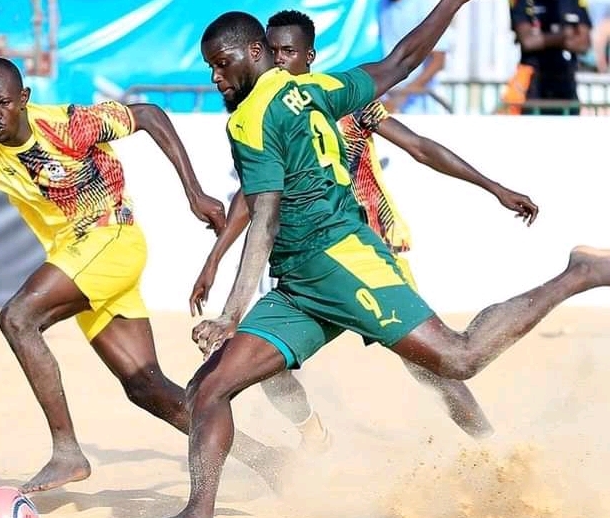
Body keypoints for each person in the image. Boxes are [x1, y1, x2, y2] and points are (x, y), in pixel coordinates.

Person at [175, 6, 610, 518]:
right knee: (206, 390)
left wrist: (230, 313)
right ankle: (200, 509)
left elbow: (264, 216)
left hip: (342, 260)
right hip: (299, 283)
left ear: (257, 53)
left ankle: (579, 273)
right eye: (210, 67)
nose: (215, 77)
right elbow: (400, 61)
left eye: (222, 64)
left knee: (453, 360)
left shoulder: (250, 119)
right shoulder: (318, 88)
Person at [0, 57, 285, 494]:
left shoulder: (67, 124)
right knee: (145, 386)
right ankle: (267, 458)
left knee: (18, 319)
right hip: (77, 256)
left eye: (2, 103)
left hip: (110, 238)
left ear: (23, 100)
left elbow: (150, 115)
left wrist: (194, 193)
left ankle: (67, 453)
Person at [190, 8, 543, 444]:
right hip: (307, 257)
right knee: (265, 364)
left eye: (288, 51)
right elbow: (253, 200)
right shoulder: (270, 113)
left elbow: (420, 146)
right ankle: (311, 431)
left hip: (366, 244)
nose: (280, 60)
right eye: (275, 51)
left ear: (309, 55)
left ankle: (489, 443)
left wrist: (493, 186)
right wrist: (215, 258)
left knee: (431, 365)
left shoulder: (344, 99)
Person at [508, 0, 591, 115]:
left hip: (566, 87)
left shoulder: (575, 2)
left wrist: (542, 38)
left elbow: (583, 44)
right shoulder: (524, 2)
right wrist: (565, 36)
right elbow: (528, 42)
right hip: (533, 89)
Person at [379, 0, 451, 113]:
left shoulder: (424, 5)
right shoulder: (382, 5)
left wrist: (402, 97)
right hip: (386, 102)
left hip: (420, 107)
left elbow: (438, 61)